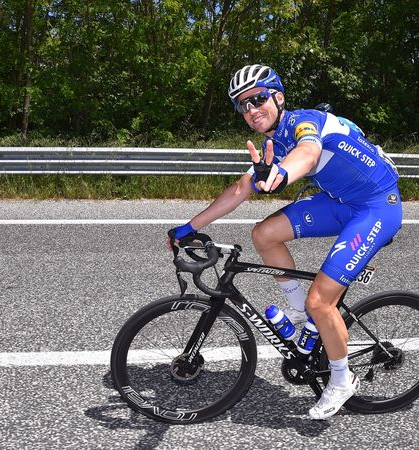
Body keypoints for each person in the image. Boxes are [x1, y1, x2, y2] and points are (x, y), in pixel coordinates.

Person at [170, 64, 402, 420]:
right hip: (339, 202)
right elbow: (239, 189)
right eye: (243, 105)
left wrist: (280, 173)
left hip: (376, 207)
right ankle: (297, 310)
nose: (251, 109)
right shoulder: (273, 144)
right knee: (264, 233)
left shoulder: (304, 122)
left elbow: (308, 153)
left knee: (320, 301)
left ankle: (342, 380)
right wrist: (188, 227)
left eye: (258, 99)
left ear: (278, 97)